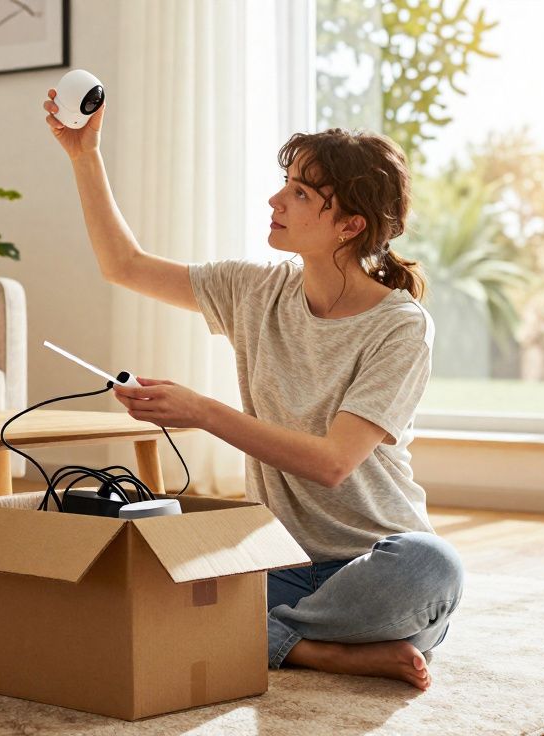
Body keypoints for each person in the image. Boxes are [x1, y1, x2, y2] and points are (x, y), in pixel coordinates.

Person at [43, 89, 465, 692]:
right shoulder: (254, 291)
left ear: (351, 224)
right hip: (277, 562)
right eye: (285, 182)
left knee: (434, 566)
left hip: (379, 567)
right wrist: (85, 155)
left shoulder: (399, 325)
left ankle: (266, 636)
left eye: (300, 192)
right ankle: (322, 649)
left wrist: (204, 412)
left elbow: (332, 464)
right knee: (134, 586)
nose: (276, 199)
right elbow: (125, 266)